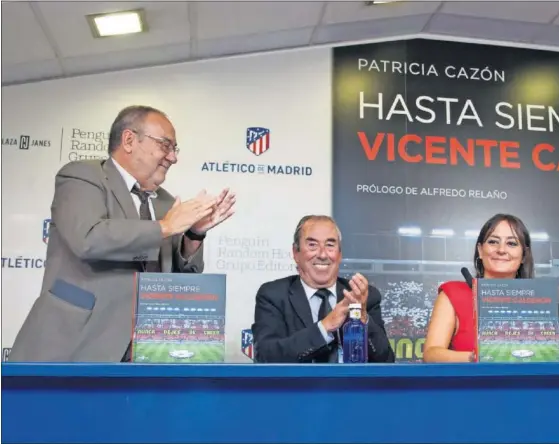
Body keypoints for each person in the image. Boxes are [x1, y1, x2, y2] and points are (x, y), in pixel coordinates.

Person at [9, 105, 236, 362]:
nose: (173, 157)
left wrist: (194, 235)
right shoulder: (83, 176)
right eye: (166, 145)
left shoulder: (166, 203)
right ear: (129, 140)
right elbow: (88, 238)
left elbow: (179, 282)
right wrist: (165, 227)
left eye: (175, 149)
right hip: (76, 344)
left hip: (148, 353)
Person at [252, 215, 394, 363]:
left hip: (352, 386)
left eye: (330, 245)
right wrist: (324, 327)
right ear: (296, 253)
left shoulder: (363, 296)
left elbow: (386, 361)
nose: (322, 254)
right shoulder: (274, 295)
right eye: (312, 245)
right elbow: (265, 357)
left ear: (340, 254)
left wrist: (363, 319)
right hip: (297, 386)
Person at [423, 214, 535, 363]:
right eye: (493, 241)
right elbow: (431, 354)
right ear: (480, 250)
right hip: (470, 385)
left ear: (523, 255)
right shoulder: (454, 294)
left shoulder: (537, 299)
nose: (501, 250)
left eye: (512, 243)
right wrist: (479, 357)